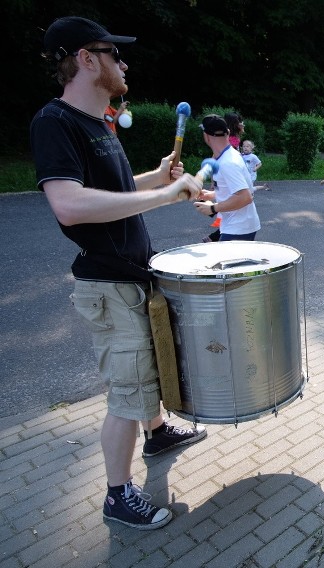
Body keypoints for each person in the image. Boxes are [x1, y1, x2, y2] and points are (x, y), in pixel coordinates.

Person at [30, 16, 206, 531]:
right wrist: (166, 194)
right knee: (126, 393)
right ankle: (116, 495)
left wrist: (158, 177)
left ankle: (157, 434)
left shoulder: (98, 123)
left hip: (131, 277)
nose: (123, 63)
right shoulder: (55, 122)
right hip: (106, 281)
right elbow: (68, 204)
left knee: (143, 372)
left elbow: (121, 194)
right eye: (113, 53)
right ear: (86, 59)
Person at [194, 114, 261, 240]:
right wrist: (211, 195)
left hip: (238, 228)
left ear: (207, 137)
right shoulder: (230, 155)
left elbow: (245, 196)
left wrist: (213, 208)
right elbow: (237, 189)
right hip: (238, 226)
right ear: (228, 132)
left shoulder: (228, 163)